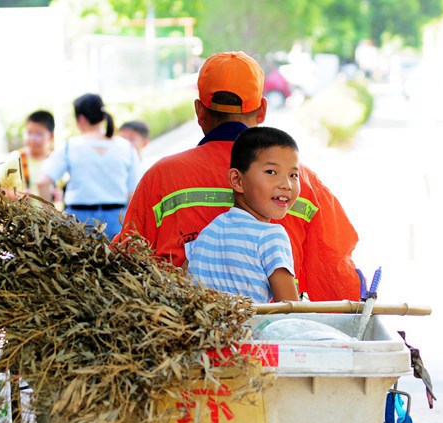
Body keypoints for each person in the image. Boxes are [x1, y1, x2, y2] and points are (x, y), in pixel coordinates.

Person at [116, 51, 360, 301]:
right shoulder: (303, 183)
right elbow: (336, 282)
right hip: (273, 337)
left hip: (182, 335)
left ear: (199, 111)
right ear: (262, 111)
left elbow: (125, 269)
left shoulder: (160, 177)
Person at [184, 126, 300, 302]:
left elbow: (182, 283)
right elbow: (291, 311)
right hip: (249, 330)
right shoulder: (271, 235)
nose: (287, 185)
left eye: (293, 175)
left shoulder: (208, 231)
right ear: (237, 180)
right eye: (271, 172)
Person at [37, 93, 141, 240]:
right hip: (117, 222)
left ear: (81, 119)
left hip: (78, 222)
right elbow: (134, 193)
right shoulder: (126, 147)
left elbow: (42, 181)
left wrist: (49, 217)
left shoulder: (71, 146)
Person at [11, 110, 55, 196]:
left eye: (39, 134)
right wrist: (14, 195)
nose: (32, 139)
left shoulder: (57, 161)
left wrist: (61, 195)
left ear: (51, 137)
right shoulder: (14, 159)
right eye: (29, 132)